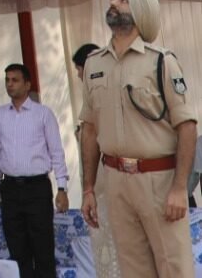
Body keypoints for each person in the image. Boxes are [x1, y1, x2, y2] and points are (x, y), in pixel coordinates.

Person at [81, 0, 197, 278]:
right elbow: (90, 130)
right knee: (132, 270)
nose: (113, 3)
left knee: (174, 267)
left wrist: (179, 188)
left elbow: (186, 126)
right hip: (116, 180)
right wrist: (89, 188)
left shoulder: (162, 62)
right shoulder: (94, 65)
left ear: (141, 11)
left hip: (159, 180)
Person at [0, 62, 69, 278]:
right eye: (7, 80)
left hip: (37, 187)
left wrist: (62, 187)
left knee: (42, 247)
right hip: (10, 188)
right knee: (17, 249)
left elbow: (57, 152)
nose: (10, 84)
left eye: (15, 80)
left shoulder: (43, 114)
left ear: (27, 84)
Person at [72, 41, 119, 278]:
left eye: (81, 71)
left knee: (119, 252)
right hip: (95, 192)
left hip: (114, 189)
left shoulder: (110, 98)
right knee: (103, 253)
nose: (81, 77)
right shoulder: (89, 103)